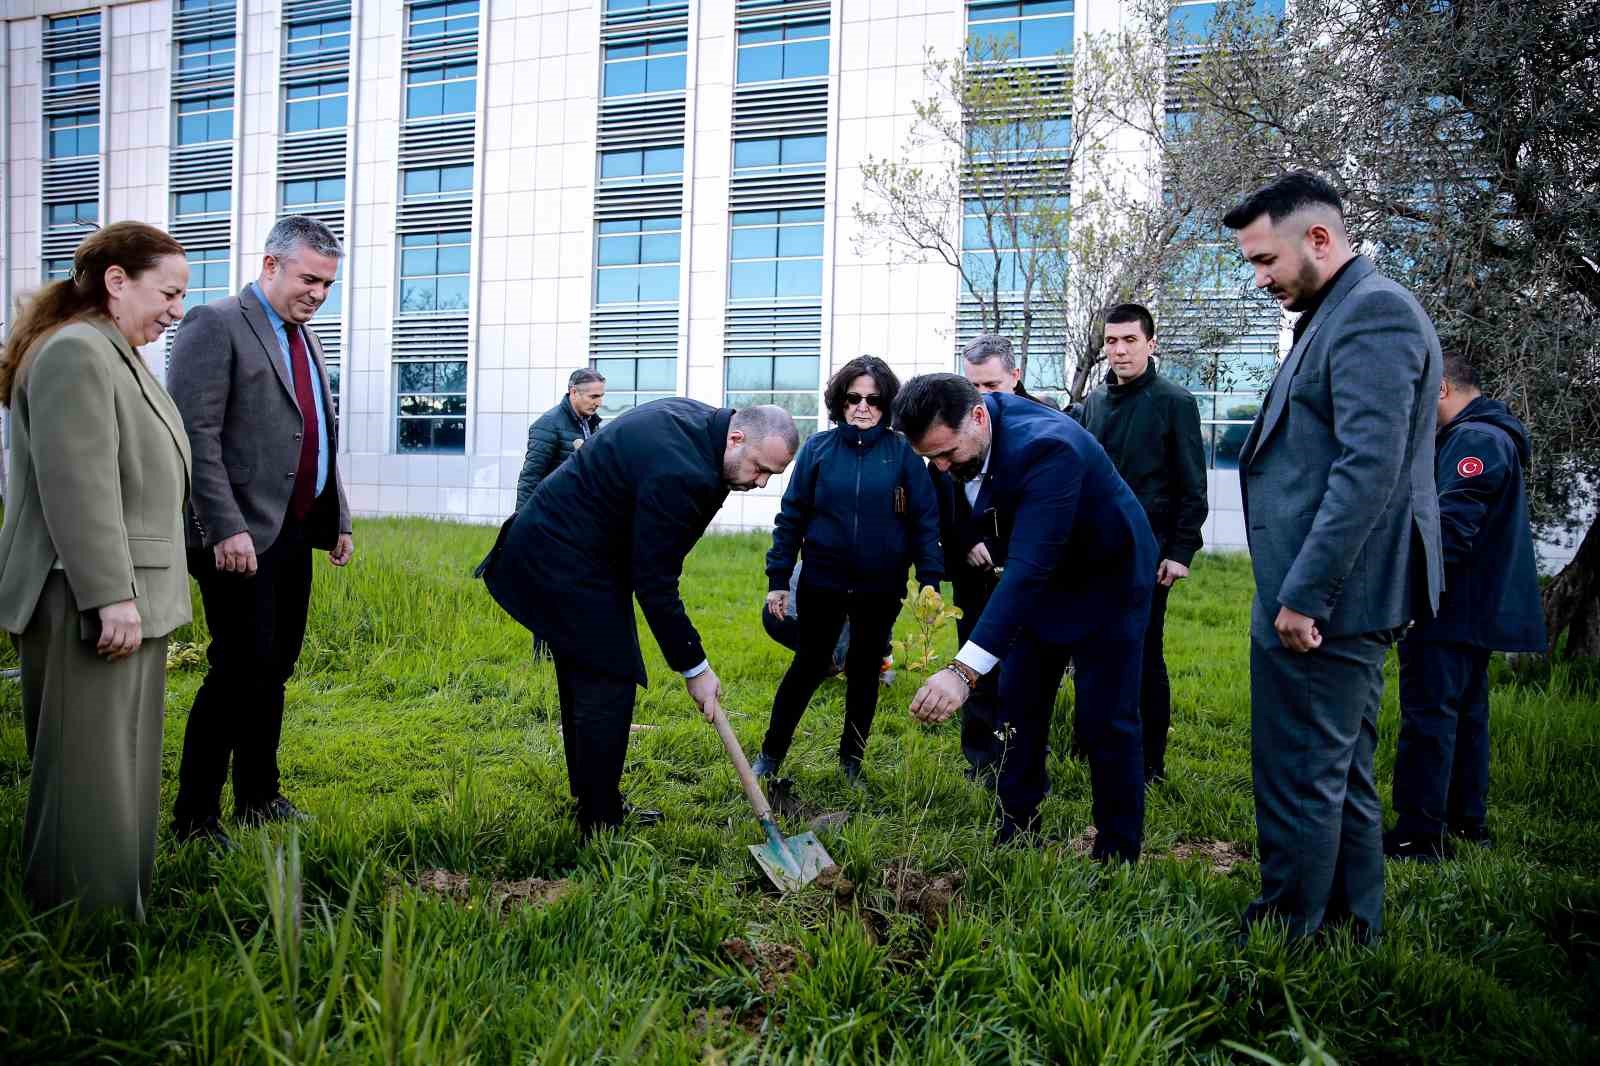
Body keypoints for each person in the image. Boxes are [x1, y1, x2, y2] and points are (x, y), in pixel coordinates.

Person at [1228, 172, 1442, 943]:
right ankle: (1353, 927)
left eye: (1264, 260)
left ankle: (1288, 929)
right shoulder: (1335, 311)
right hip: (1323, 589)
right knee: (1341, 770)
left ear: (1319, 238)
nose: (1260, 279)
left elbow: (1367, 469)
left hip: (1329, 596)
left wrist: (1305, 595)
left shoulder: (1373, 312)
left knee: (1300, 772)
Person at [479, 400, 798, 836]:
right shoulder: (685, 474)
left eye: (771, 477)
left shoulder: (701, 428)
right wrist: (695, 668)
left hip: (580, 552)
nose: (760, 483)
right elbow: (656, 581)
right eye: (760, 469)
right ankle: (600, 821)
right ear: (737, 437)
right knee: (607, 681)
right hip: (560, 558)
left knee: (590, 677)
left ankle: (594, 801)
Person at [0, 223, 193, 919]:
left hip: (128, 594)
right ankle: (82, 923)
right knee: (89, 770)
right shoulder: (78, 352)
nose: (175, 311)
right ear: (117, 280)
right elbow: (78, 486)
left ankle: (115, 906)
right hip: (87, 595)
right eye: (167, 293)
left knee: (121, 766)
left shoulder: (111, 351)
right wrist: (110, 596)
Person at [893, 374, 1156, 861]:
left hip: (1108, 579)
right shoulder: (964, 436)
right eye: (932, 458)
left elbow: (1029, 570)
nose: (942, 466)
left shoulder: (1048, 448)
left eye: (947, 454)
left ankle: (1118, 849)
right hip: (1041, 577)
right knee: (1018, 704)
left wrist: (962, 671)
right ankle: (1018, 827)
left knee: (1106, 718)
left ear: (976, 417)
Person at [167, 215, 355, 850]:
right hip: (236, 536)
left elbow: (315, 433)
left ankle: (258, 796)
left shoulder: (304, 336)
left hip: (293, 531)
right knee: (239, 667)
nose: (319, 294)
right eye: (310, 279)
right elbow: (197, 438)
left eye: (328, 284)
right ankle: (194, 817)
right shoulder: (214, 324)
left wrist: (337, 519)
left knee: (274, 665)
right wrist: (224, 528)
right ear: (271, 266)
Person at [1385, 352, 1547, 861]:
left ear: (1440, 389)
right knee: (1466, 716)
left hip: (1448, 606)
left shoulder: (1474, 441)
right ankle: (1465, 824)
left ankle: (1418, 835)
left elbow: (1449, 529)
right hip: (1473, 608)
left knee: (1429, 719)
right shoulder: (1486, 435)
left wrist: (1410, 595)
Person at [753, 357, 943, 786]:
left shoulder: (903, 456)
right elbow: (792, 517)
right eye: (853, 398)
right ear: (839, 401)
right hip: (823, 582)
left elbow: (925, 522)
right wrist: (778, 580)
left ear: (887, 404)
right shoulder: (818, 449)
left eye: (874, 400)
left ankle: (851, 763)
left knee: (864, 672)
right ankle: (770, 753)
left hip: (882, 586)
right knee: (808, 667)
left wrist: (930, 579)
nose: (863, 407)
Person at [1079, 303, 1208, 783]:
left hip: (1150, 554)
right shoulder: (1094, 401)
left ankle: (1150, 761)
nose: (1119, 350)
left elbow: (1193, 486)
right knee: (1092, 649)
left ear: (1151, 344)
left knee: (1143, 654)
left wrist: (1180, 551)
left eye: (1130, 340)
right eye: (1111, 342)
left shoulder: (1175, 401)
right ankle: (1089, 745)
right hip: (1093, 552)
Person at [934, 333, 1067, 779]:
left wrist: (1002, 547)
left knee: (1024, 669)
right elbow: (942, 495)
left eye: (991, 386)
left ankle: (1024, 756)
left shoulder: (1044, 426)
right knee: (973, 661)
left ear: (1015, 376)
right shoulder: (952, 426)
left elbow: (1045, 512)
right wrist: (963, 541)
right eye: (974, 386)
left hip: (1024, 569)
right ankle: (979, 758)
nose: (982, 397)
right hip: (972, 571)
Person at [515, 368, 606, 513]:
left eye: (601, 396)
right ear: (574, 392)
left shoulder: (592, 424)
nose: (599, 403)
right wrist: (520, 521)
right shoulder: (548, 424)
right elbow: (530, 477)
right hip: (554, 514)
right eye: (593, 396)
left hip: (580, 513)